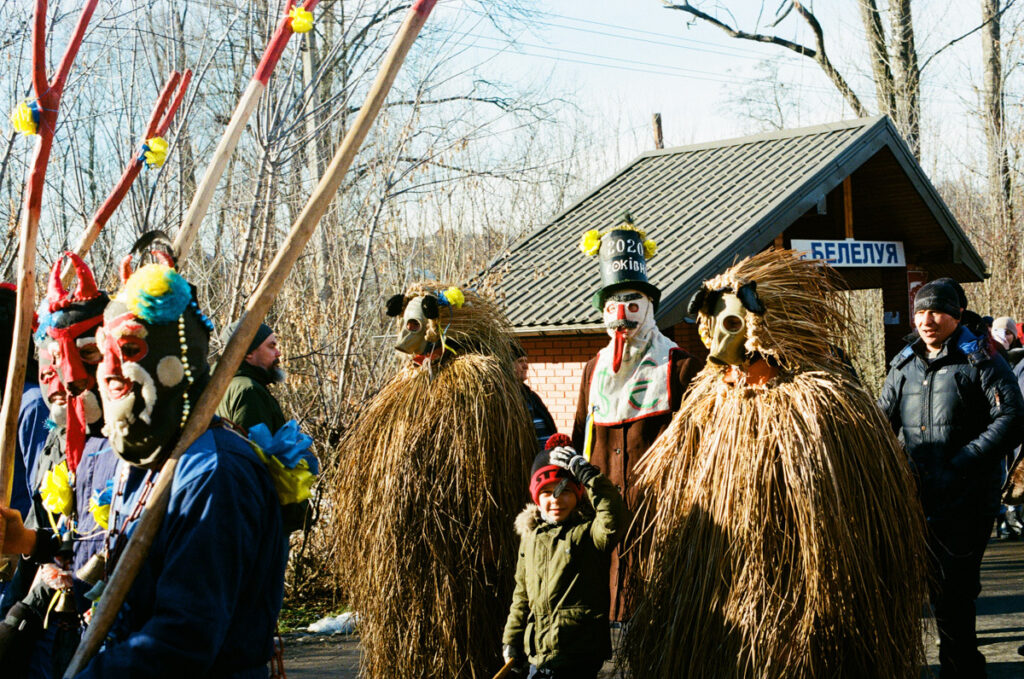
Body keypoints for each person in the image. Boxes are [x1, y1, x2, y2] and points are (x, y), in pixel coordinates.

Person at [2, 258, 291, 677]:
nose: (109, 369)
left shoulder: (214, 471)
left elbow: (184, 639)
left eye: (130, 349)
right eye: (104, 353)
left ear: (175, 360)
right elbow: (108, 569)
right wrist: (32, 545)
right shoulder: (145, 461)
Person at [878, 277, 1024, 679]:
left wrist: (963, 461)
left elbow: (1012, 419)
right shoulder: (904, 361)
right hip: (914, 496)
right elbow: (878, 422)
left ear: (957, 314)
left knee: (954, 596)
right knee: (915, 592)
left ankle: (961, 671)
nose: (927, 319)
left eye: (937, 310)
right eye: (921, 311)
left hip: (967, 499)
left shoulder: (982, 359)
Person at [572, 212, 703, 620]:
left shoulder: (680, 366)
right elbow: (581, 436)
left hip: (659, 514)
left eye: (632, 305)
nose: (622, 317)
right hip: (603, 517)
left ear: (648, 309)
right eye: (613, 307)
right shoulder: (594, 370)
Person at [0, 255, 118, 679]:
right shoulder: (55, 435)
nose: (68, 376)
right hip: (48, 635)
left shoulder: (135, 446)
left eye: (86, 354)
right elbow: (49, 538)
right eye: (52, 362)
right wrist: (23, 539)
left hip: (110, 640)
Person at [502, 434, 627, 678]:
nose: (556, 499)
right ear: (536, 498)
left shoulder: (589, 534)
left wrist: (588, 475)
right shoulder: (531, 538)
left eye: (565, 491)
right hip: (540, 656)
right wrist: (512, 639)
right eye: (547, 492)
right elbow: (521, 595)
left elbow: (613, 517)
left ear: (578, 494)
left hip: (578, 656)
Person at [216, 321, 286, 434]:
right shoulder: (249, 390)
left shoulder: (221, 384)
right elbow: (254, 448)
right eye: (271, 346)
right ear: (248, 352)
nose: (278, 353)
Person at [513, 345, 557, 450]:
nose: (526, 366)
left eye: (525, 361)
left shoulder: (532, 397)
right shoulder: (506, 399)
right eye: (520, 361)